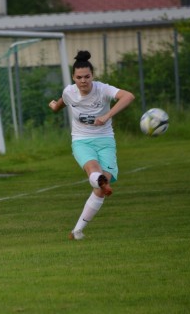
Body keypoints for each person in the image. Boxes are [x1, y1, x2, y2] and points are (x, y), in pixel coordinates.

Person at [49, 50, 135, 240]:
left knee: (101, 184)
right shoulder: (69, 91)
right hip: (81, 140)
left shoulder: (102, 89)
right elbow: (65, 100)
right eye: (79, 77)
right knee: (93, 169)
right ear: (73, 77)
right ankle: (99, 180)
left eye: (87, 77)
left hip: (105, 141)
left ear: (92, 76)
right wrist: (55, 107)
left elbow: (128, 96)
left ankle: (77, 230)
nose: (83, 81)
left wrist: (106, 116)